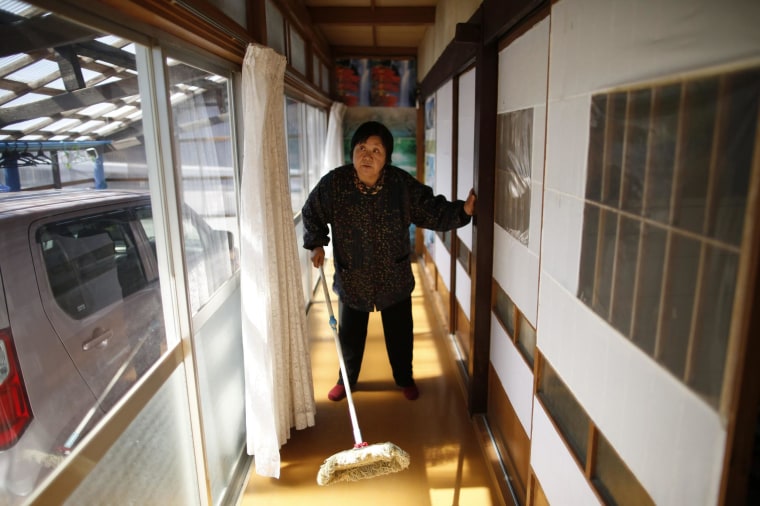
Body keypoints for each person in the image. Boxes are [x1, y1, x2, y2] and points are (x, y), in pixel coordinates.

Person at [302, 121, 476, 402]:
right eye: (361, 148)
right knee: (349, 337)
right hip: (353, 277)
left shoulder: (400, 185)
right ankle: (346, 380)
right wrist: (317, 243)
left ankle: (404, 378)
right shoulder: (334, 184)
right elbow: (312, 213)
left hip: (393, 277)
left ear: (387, 158)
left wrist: (463, 211)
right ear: (352, 152)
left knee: (400, 336)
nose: (367, 156)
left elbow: (432, 210)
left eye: (376, 150)